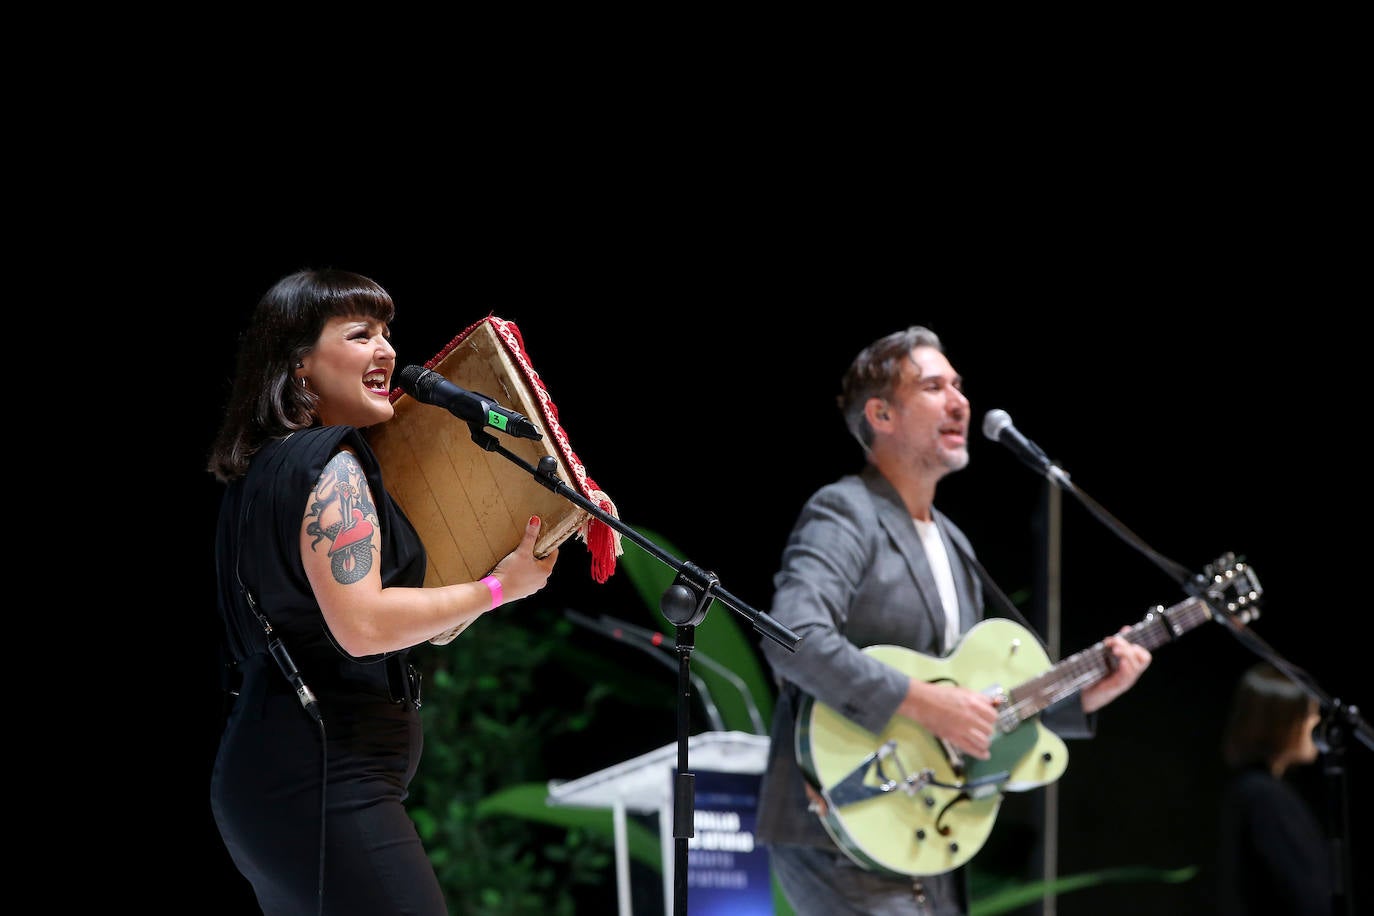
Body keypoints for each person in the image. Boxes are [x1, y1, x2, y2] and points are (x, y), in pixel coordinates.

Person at [755, 325, 1153, 916]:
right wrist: (924, 703)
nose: (960, 401)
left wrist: (1082, 699)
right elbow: (792, 637)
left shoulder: (955, 542)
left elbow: (971, 702)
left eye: (958, 385)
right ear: (882, 415)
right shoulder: (845, 511)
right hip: (840, 825)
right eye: (934, 386)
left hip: (925, 828)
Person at [207, 268, 558, 915]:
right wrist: (498, 588)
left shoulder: (263, 470)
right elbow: (363, 624)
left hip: (279, 773)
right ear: (301, 366)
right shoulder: (331, 463)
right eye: (360, 333)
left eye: (387, 332)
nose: (388, 350)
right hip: (322, 777)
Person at [1216, 662, 1333, 916]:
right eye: (1310, 714)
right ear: (1283, 721)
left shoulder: (1255, 790)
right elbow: (1303, 894)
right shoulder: (1263, 795)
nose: (1316, 723)